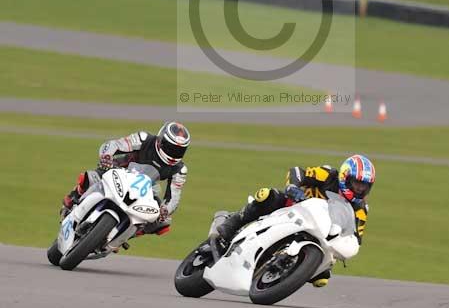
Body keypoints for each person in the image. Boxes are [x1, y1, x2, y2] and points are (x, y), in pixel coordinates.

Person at [216, 154, 375, 287]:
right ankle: (233, 223)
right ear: (345, 176)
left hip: (320, 232)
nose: (360, 189)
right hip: (294, 207)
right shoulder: (328, 174)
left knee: (322, 277)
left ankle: (287, 272)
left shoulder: (360, 210)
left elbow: (356, 238)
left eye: (364, 186)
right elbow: (298, 172)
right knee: (266, 195)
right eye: (356, 183)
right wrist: (293, 187)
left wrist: (343, 248)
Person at [60, 121, 191, 236]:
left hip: (146, 188)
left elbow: (173, 198)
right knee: (91, 177)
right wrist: (107, 157)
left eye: (179, 150)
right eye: (171, 148)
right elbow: (116, 144)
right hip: (119, 169)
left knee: (163, 223)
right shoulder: (144, 138)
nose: (174, 153)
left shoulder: (180, 169)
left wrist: (165, 210)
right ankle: (72, 199)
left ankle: (127, 233)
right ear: (161, 140)